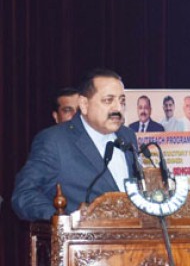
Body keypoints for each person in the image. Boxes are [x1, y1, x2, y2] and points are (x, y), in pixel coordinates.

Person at [12, 69, 139, 221]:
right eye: (108, 100)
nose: (118, 108)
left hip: (133, 233)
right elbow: (24, 194)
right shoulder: (55, 141)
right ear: (84, 104)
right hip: (81, 235)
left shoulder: (127, 136)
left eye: (122, 101)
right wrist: (66, 220)